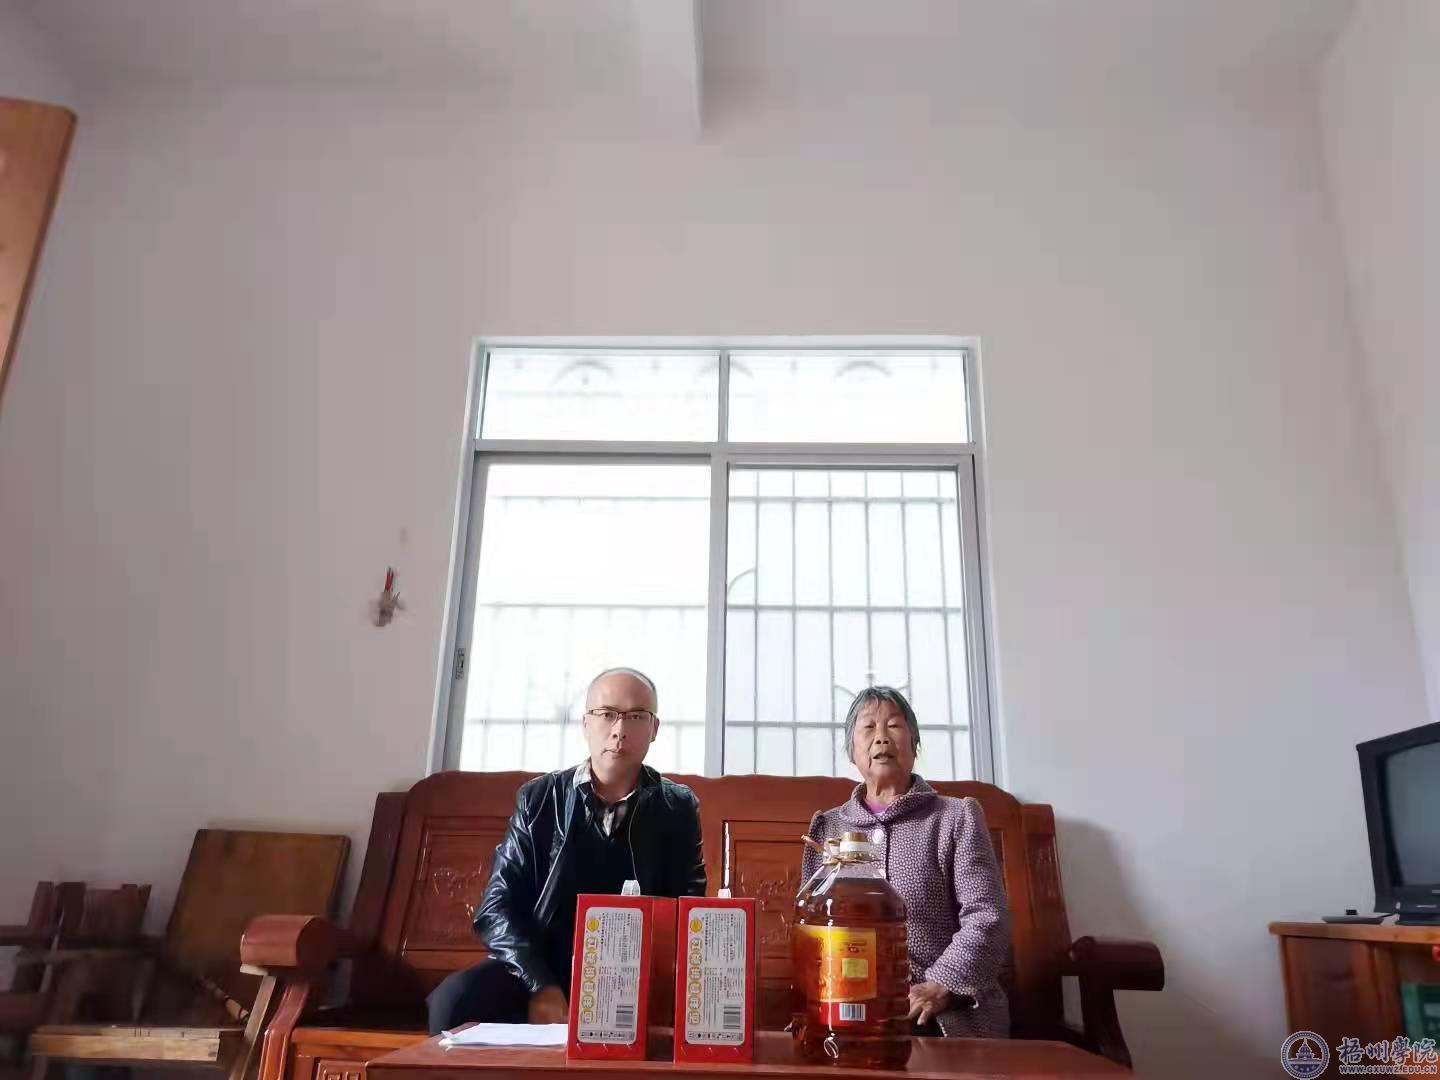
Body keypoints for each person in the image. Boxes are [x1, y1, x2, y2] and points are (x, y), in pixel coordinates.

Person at [426, 667, 706, 1033]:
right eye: (606, 714)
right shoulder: (539, 799)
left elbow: (690, 908)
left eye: (636, 716)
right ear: (586, 723)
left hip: (636, 973)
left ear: (654, 729)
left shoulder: (677, 806)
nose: (619, 729)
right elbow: (496, 908)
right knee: (455, 1000)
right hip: (543, 967)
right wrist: (540, 984)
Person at [800, 686, 1010, 1038]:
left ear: (914, 744)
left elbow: (987, 916)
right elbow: (810, 926)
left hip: (942, 1017)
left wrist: (941, 985)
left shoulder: (955, 817)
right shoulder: (828, 827)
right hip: (847, 1010)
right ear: (851, 750)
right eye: (868, 727)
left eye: (894, 726)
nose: (881, 737)